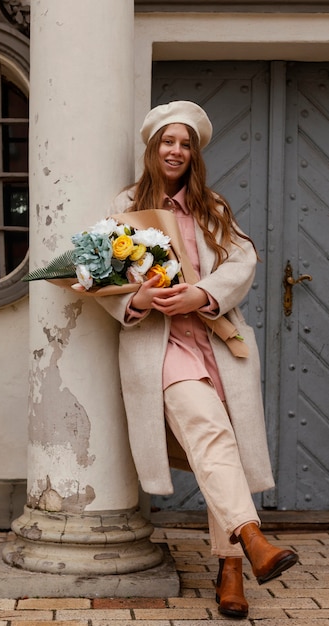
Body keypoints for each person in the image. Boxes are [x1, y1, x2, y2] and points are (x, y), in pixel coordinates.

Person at [97, 101, 298, 619]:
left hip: (217, 343)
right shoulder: (124, 204)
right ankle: (251, 538)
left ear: (194, 155)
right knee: (210, 431)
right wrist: (135, 300)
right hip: (162, 348)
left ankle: (232, 566)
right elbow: (99, 274)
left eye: (186, 144)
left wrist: (202, 294)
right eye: (168, 141)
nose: (176, 151)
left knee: (220, 447)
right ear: (152, 148)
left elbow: (243, 260)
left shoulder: (213, 207)